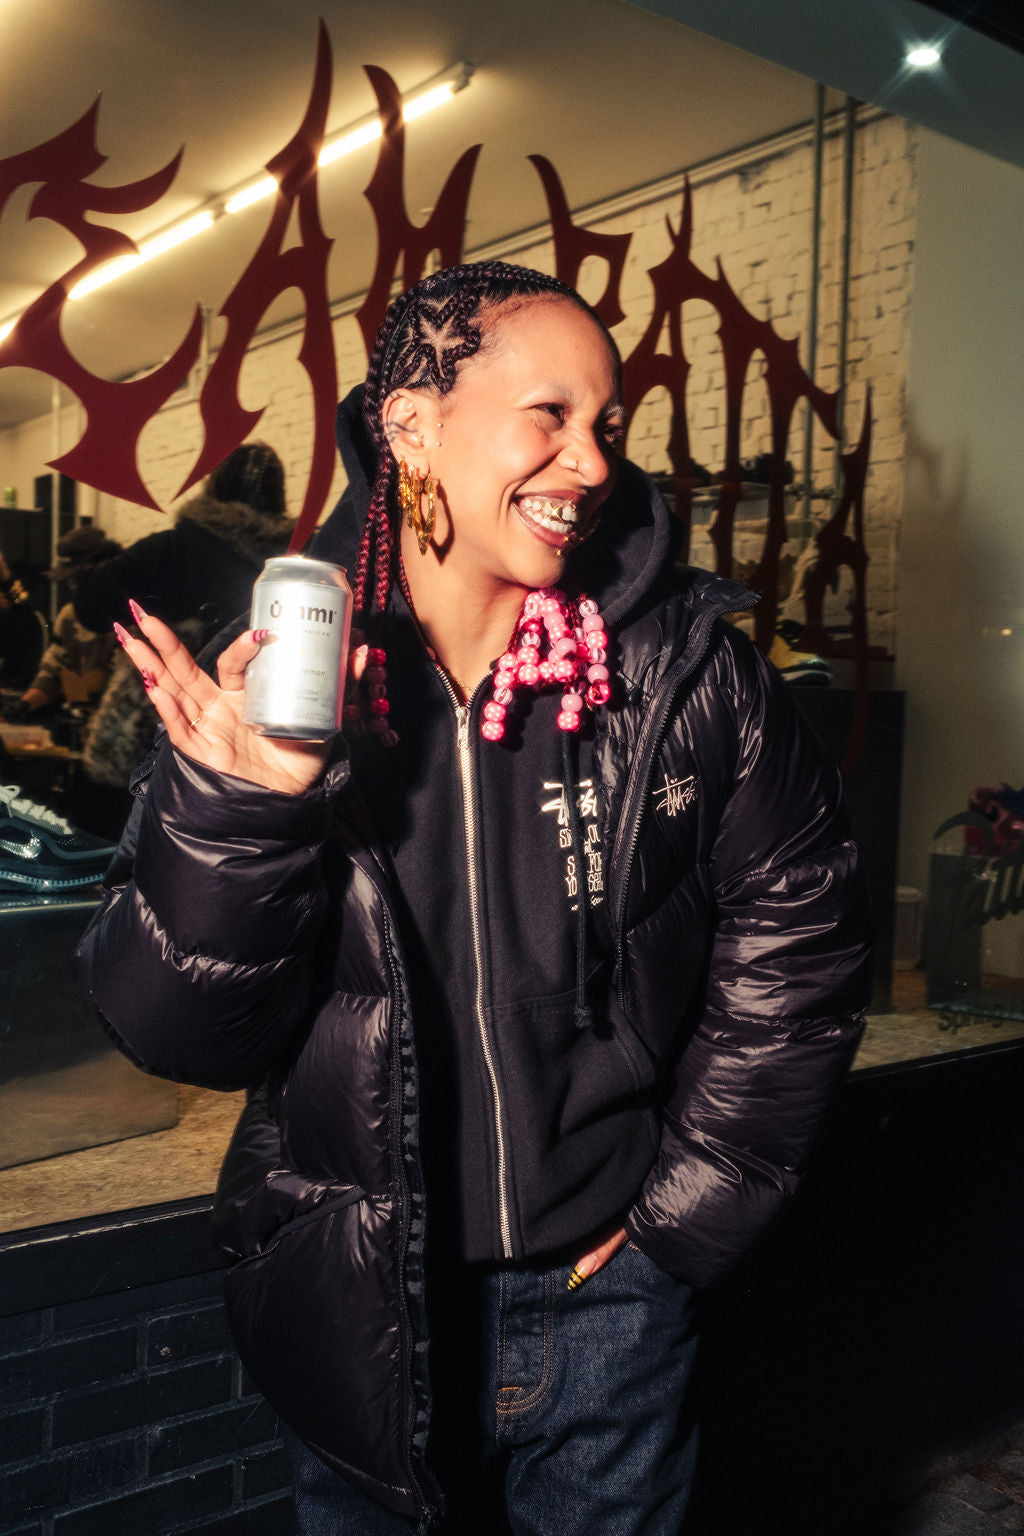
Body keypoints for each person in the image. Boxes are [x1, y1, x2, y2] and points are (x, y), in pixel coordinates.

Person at [77, 262, 872, 1535]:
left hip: (613, 1297)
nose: (592, 461)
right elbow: (180, 1036)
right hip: (367, 1307)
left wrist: (682, 1220)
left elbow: (804, 939)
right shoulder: (282, 686)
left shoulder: (685, 673)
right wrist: (247, 811)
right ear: (411, 425)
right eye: (549, 413)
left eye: (606, 423)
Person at [73, 441, 294, 791]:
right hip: (254, 738)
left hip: (155, 727)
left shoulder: (170, 550)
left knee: (134, 816)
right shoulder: (293, 565)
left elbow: (88, 607)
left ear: (214, 486)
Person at [13, 526, 121, 717]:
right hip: (87, 720)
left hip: (127, 723)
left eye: (77, 576)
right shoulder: (70, 616)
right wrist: (25, 704)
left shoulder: (136, 616)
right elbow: (55, 669)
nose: (72, 585)